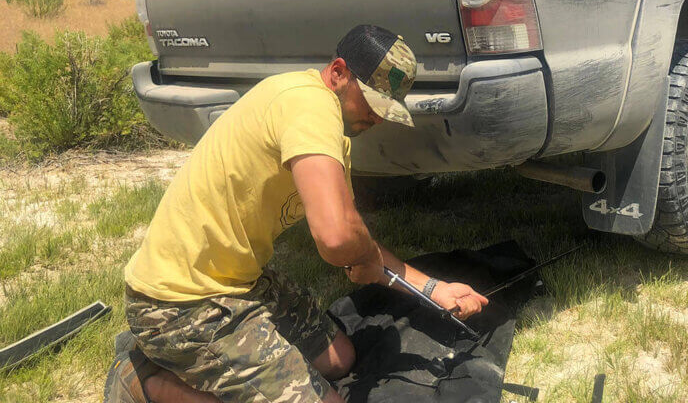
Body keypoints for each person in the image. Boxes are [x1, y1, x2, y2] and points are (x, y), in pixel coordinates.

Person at [106, 25, 489, 403]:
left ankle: (174, 363)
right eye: (372, 102)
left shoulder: (329, 127)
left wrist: (432, 288)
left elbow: (352, 235)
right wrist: (364, 257)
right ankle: (144, 382)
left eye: (385, 109)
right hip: (178, 303)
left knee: (340, 358)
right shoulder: (307, 106)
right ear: (338, 72)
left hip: (238, 280)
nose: (377, 118)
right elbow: (338, 239)